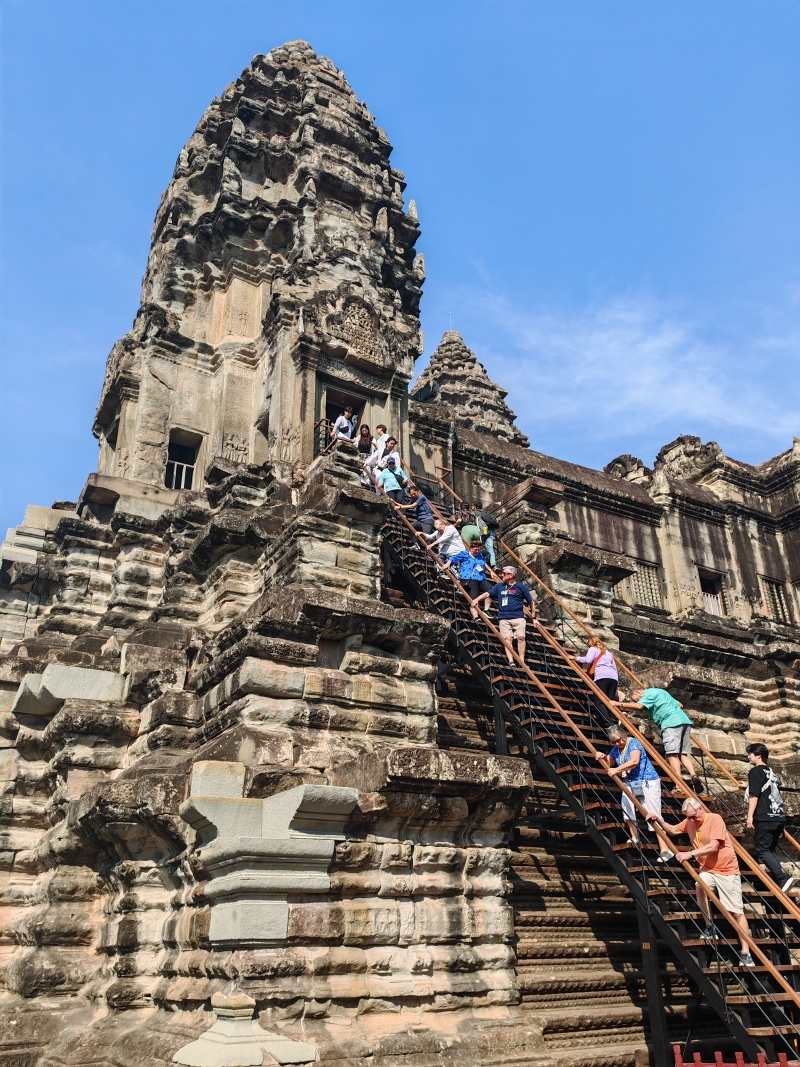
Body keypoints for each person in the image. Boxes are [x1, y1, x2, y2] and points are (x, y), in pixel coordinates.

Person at [655, 797, 755, 967]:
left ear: (700, 809)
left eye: (693, 816)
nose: (691, 820)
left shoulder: (715, 819)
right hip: (708, 869)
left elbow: (714, 846)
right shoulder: (689, 821)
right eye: (689, 817)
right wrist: (658, 819)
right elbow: (672, 830)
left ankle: (746, 952)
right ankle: (709, 926)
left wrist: (689, 854)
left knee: (736, 912)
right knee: (699, 885)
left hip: (727, 870)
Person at [599, 724, 673, 861]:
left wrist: (617, 770)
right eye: (613, 742)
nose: (617, 743)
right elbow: (609, 762)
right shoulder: (616, 749)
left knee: (653, 813)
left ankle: (665, 849)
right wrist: (602, 756)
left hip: (647, 781)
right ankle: (635, 837)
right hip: (630, 782)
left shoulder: (633, 743)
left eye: (618, 740)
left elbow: (634, 761)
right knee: (627, 808)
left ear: (623, 736)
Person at [745, 742, 794, 892]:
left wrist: (749, 817)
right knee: (769, 852)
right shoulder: (771, 772)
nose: (748, 756)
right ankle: (774, 884)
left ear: (758, 756)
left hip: (765, 817)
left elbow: (754, 795)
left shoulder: (755, 771)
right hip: (778, 817)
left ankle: (782, 877)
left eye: (750, 754)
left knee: (761, 851)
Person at [624, 686, 697, 784]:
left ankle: (679, 783)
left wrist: (618, 703)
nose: (637, 702)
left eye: (635, 700)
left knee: (672, 754)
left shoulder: (648, 694)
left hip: (671, 723)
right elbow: (680, 705)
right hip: (684, 722)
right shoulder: (661, 691)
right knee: (682, 754)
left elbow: (639, 706)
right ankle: (693, 775)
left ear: (637, 692)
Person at [472, 565, 534, 666]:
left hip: (518, 617)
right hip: (504, 618)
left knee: (521, 637)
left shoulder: (520, 587)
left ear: (511, 575)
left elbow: (531, 601)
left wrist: (534, 617)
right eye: (502, 573)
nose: (502, 575)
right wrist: (476, 599)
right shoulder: (499, 586)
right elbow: (488, 594)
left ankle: (521, 660)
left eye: (504, 573)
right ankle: (511, 661)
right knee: (507, 639)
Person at [445, 542, 492, 618]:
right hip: (469, 578)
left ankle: (486, 610)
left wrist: (490, 571)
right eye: (475, 549)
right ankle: (475, 616)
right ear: (471, 548)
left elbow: (484, 563)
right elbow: (453, 558)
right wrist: (447, 564)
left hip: (481, 577)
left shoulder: (480, 555)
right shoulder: (464, 554)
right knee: (474, 596)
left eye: (478, 550)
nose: (477, 551)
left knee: (491, 591)